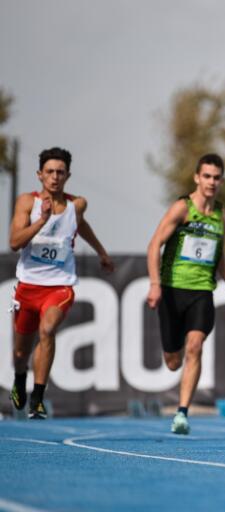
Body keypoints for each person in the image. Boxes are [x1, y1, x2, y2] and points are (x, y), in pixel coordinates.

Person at [9, 147, 114, 419]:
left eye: (60, 172)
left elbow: (81, 224)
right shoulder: (27, 203)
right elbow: (14, 242)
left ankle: (38, 398)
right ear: (40, 175)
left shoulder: (77, 205)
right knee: (21, 353)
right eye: (50, 172)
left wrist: (101, 252)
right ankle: (21, 377)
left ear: (67, 175)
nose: (55, 177)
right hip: (28, 287)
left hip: (60, 286)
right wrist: (42, 220)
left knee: (47, 330)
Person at [146, 153, 225, 435]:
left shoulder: (223, 218)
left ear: (221, 181)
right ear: (197, 178)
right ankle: (172, 353)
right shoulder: (182, 209)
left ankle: (182, 414)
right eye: (207, 176)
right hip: (171, 289)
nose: (211, 182)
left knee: (195, 347)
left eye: (216, 177)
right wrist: (155, 284)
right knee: (173, 360)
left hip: (202, 291)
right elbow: (154, 245)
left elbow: (220, 254)